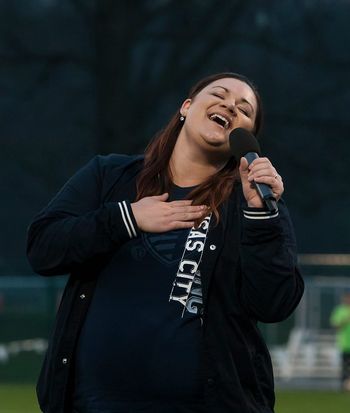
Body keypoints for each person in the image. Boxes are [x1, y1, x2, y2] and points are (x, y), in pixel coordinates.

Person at [26, 72, 304, 413]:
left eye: (244, 110)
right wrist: (126, 219)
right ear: (187, 107)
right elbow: (43, 248)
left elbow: (274, 304)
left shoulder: (250, 205)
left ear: (243, 139)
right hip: (95, 402)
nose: (230, 106)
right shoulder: (110, 177)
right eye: (219, 94)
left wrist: (263, 218)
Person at [330, 293, 350, 391]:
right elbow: (336, 326)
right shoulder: (340, 311)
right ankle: (344, 385)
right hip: (345, 344)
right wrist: (345, 321)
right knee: (345, 366)